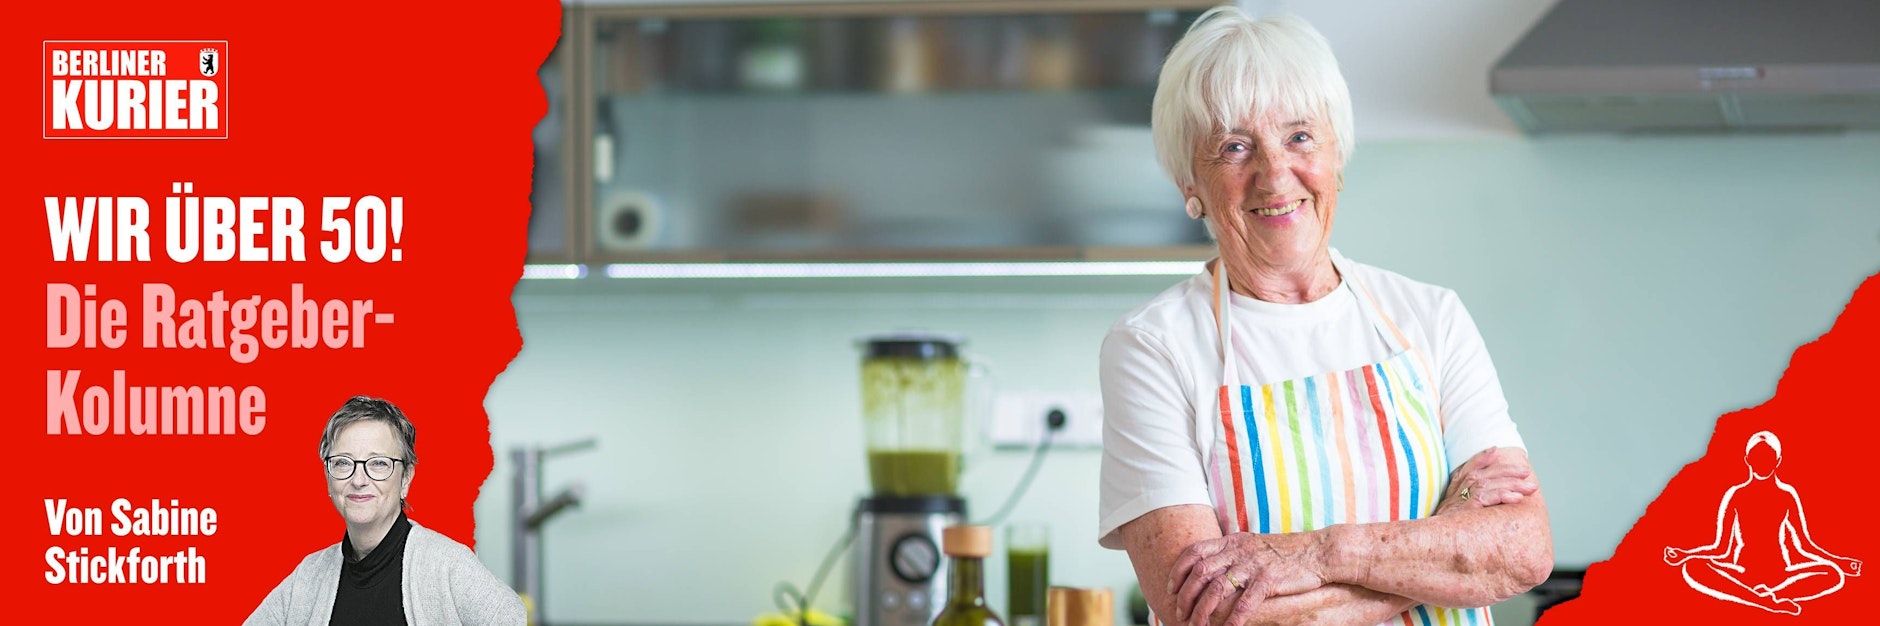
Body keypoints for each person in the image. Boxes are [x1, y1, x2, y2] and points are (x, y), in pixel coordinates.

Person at [1097, 8, 1552, 626]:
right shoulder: (1155, 347)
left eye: (1300, 136)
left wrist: (1319, 555)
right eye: (1234, 147)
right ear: (1189, 182)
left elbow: (1522, 550)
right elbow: (1201, 612)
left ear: (1337, 153)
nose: (1275, 173)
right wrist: (1445, 552)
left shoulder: (1429, 317)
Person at [246, 396, 525, 625]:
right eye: (343, 463)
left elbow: (510, 616)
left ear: (405, 479)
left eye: (378, 463)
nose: (358, 479)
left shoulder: (447, 565)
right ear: (328, 476)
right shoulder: (309, 576)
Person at [1664, 431, 1862, 615]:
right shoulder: (1737, 495)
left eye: (1768, 457)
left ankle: (1768, 597)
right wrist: (1685, 555)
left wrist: (1840, 563)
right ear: (1748, 460)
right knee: (1692, 567)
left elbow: (1804, 546)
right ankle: (1763, 601)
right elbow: (1722, 549)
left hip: (1780, 574)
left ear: (1777, 460)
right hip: (1743, 572)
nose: (1762, 462)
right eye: (1757, 457)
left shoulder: (1786, 496)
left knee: (1833, 574)